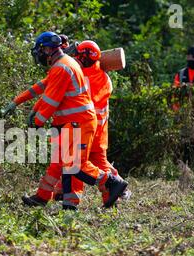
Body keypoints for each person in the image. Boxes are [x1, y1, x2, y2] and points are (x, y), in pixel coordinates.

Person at [17, 31, 128, 210]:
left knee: (76, 165)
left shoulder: (70, 69)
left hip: (82, 124)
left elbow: (52, 98)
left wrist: (37, 120)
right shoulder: (88, 72)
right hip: (84, 124)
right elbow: (48, 88)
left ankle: (114, 184)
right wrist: (22, 104)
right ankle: (59, 201)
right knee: (64, 162)